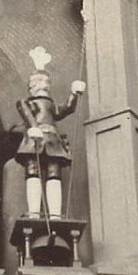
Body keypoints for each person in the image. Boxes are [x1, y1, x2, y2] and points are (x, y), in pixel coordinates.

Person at [16, 47, 85, 219]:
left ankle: (54, 214)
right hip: (35, 138)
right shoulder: (26, 102)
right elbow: (26, 114)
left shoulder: (51, 105)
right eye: (39, 80)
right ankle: (34, 212)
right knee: (33, 171)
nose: (43, 84)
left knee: (54, 173)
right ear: (32, 85)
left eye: (46, 81)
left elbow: (66, 109)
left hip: (52, 139)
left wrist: (74, 93)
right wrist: (33, 127)